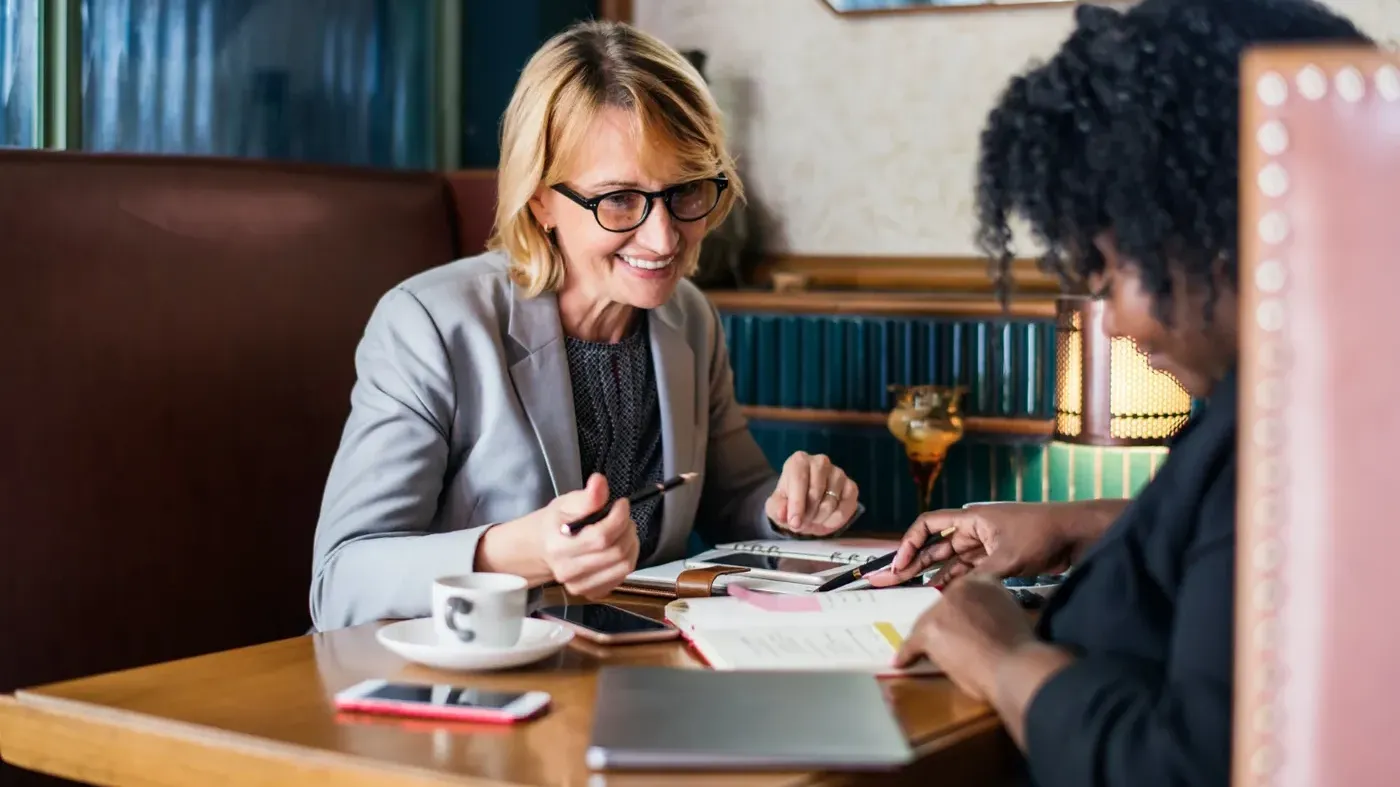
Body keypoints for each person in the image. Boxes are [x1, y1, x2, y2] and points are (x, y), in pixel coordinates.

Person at [869, 2, 1373, 786]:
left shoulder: (1284, 442)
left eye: (1109, 274)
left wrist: (1005, 657)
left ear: (1213, 227)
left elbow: (1182, 767)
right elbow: (1235, 556)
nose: (1113, 327)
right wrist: (1082, 523)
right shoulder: (1309, 397)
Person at [309, 21, 862, 631]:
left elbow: (736, 500)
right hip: (457, 691)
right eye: (619, 199)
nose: (663, 238)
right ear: (540, 199)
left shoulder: (689, 317)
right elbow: (341, 583)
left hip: (634, 681)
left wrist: (792, 508)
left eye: (686, 191)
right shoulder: (430, 325)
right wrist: (521, 554)